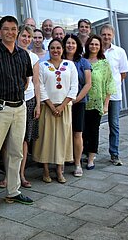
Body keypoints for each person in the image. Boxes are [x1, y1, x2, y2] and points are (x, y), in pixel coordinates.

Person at [0, 16, 34, 213]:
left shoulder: (23, 55)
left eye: (13, 29)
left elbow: (25, 81)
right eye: (6, 29)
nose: (10, 32)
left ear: (17, 31)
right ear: (0, 31)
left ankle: (13, 191)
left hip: (19, 108)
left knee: (16, 152)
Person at [33, 39, 78, 184]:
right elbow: (39, 86)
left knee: (62, 139)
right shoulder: (42, 65)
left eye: (58, 48)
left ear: (62, 49)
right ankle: (45, 170)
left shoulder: (69, 65)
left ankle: (59, 170)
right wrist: (52, 106)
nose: (55, 50)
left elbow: (74, 86)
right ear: (49, 50)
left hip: (64, 108)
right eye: (52, 48)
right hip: (47, 108)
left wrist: (62, 106)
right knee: (46, 138)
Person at [83, 35, 116, 170]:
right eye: (92, 44)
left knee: (93, 131)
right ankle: (82, 153)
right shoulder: (82, 61)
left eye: (97, 44)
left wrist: (106, 103)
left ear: (100, 47)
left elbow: (109, 83)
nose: (94, 47)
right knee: (82, 131)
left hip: (97, 103)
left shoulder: (104, 63)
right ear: (88, 45)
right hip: (82, 102)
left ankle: (91, 158)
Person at [100, 24, 128, 166]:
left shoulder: (120, 52)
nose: (106, 37)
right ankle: (89, 152)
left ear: (113, 36)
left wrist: (112, 86)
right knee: (91, 124)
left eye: (109, 35)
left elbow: (123, 74)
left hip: (114, 95)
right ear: (100, 35)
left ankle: (114, 154)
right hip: (97, 95)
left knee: (114, 125)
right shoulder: (95, 49)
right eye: (104, 34)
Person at [63, 34, 91, 177]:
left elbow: (87, 84)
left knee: (77, 133)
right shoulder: (59, 61)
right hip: (61, 104)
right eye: (68, 43)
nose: (70, 45)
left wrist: (75, 100)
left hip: (78, 103)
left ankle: (77, 163)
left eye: (73, 43)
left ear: (77, 45)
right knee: (62, 133)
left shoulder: (83, 62)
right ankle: (61, 162)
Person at [17, 26, 40, 188]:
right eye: (23, 35)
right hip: (12, 100)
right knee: (10, 141)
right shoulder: (9, 53)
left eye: (28, 36)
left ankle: (21, 174)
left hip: (29, 100)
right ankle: (9, 175)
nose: (26, 39)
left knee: (24, 140)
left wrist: (38, 104)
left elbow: (37, 83)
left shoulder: (33, 57)